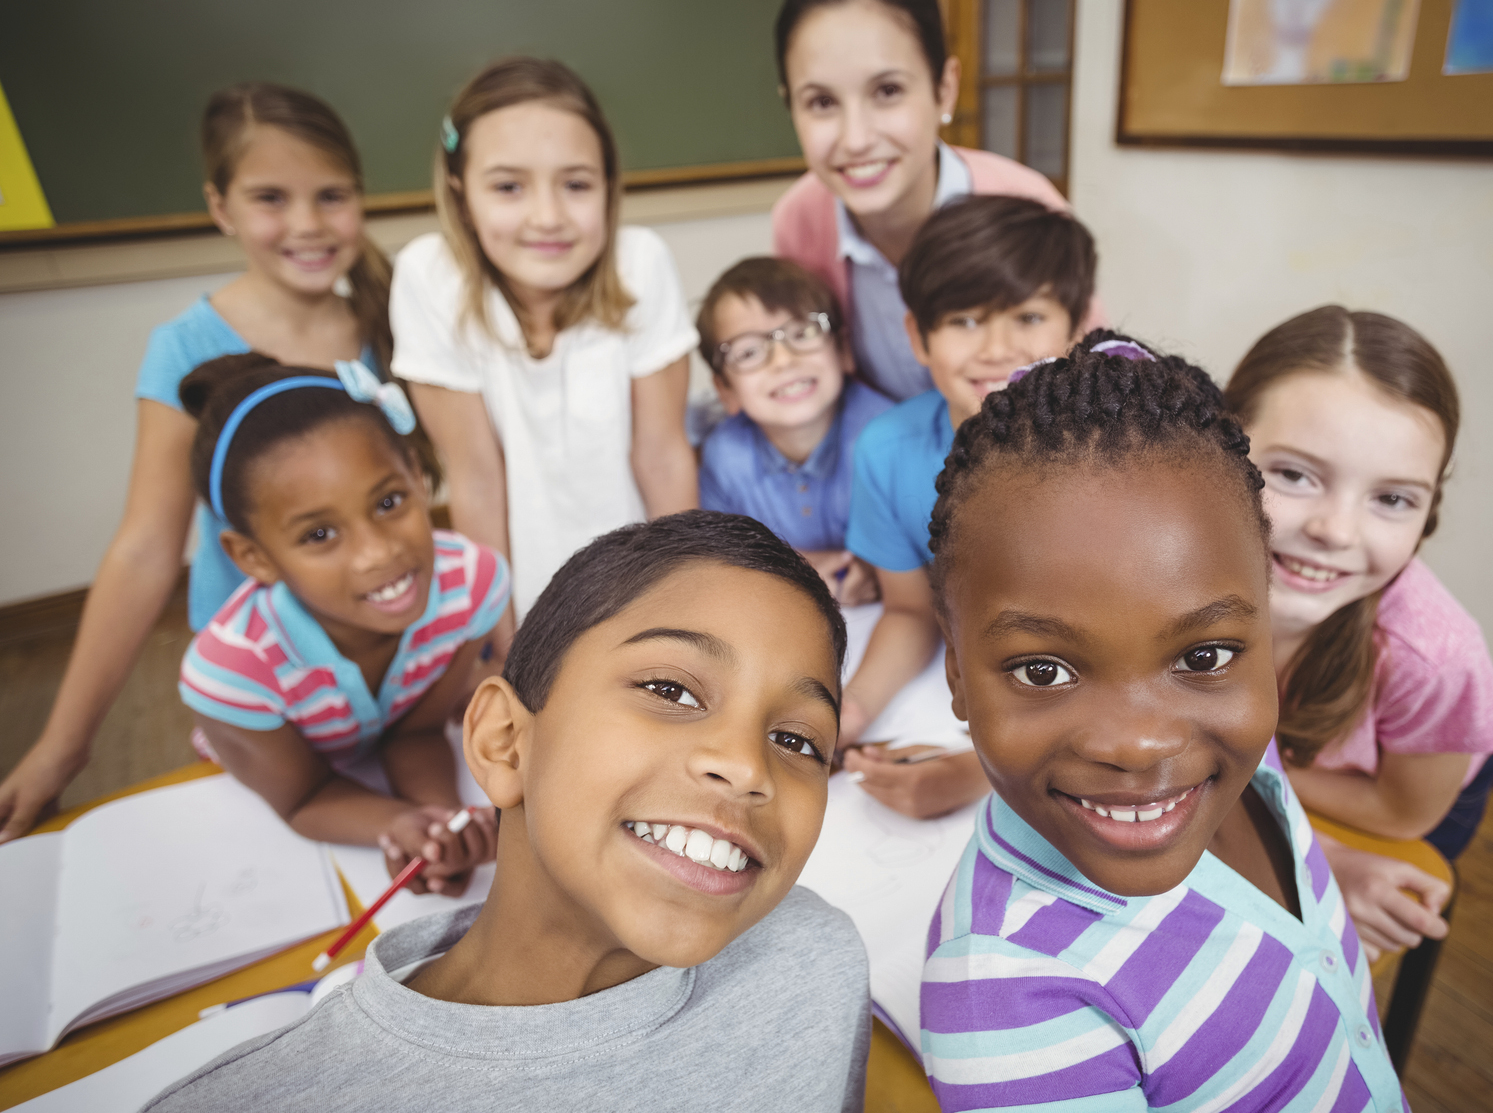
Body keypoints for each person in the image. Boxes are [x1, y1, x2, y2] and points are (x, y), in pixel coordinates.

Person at [146, 512, 870, 1113]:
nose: (746, 766)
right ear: (502, 741)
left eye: (795, 739)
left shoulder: (812, 964)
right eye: (671, 690)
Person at [916, 338, 1407, 1111]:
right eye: (1043, 670)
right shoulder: (1007, 1001)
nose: (1139, 742)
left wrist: (1334, 863)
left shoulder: (1240, 748)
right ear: (956, 675)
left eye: (1203, 653)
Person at [0, 83, 397, 843]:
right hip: (272, 693)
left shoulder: (389, 319)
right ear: (220, 208)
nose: (308, 224)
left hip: (392, 670)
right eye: (271, 198)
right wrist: (62, 747)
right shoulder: (184, 346)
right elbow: (147, 548)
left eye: (331, 196)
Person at [1224, 306, 1493, 960]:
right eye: (1293, 474)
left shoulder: (1434, 657)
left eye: (1391, 499)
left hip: (1395, 787)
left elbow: (1402, 814)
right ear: (1215, 447)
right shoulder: (1166, 561)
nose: (1337, 530)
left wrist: (1233, 765)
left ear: (1427, 512)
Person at [176, 355, 507, 893]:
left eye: (389, 501)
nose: (378, 553)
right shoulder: (232, 673)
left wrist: (437, 824)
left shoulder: (471, 585)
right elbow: (302, 797)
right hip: (276, 779)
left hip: (379, 748)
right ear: (253, 556)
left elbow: (415, 730)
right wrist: (391, 823)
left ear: (419, 481)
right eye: (319, 535)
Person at [391, 56, 698, 621]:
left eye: (576, 184)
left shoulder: (641, 263)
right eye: (509, 186)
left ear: (608, 186)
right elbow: (477, 480)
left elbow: (662, 454)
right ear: (461, 195)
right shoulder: (429, 279)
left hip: (638, 582)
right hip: (519, 594)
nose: (548, 216)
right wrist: (500, 635)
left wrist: (678, 609)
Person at [840, 195, 1100, 819]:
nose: (998, 349)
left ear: (1076, 328)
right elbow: (909, 611)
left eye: (1029, 317)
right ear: (917, 337)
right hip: (959, 688)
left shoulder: (1112, 459)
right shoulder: (886, 451)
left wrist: (988, 773)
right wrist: (849, 713)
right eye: (964, 321)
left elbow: (1127, 656)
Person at [771, 0, 1103, 400]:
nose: (856, 139)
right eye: (822, 102)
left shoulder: (1027, 207)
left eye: (888, 90)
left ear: (944, 90)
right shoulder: (799, 220)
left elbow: (1092, 379)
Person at [696, 256, 892, 606]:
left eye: (803, 333)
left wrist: (874, 570)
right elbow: (718, 562)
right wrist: (799, 569)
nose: (783, 360)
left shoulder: (887, 439)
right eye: (749, 351)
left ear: (844, 350)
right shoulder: (724, 457)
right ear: (725, 389)